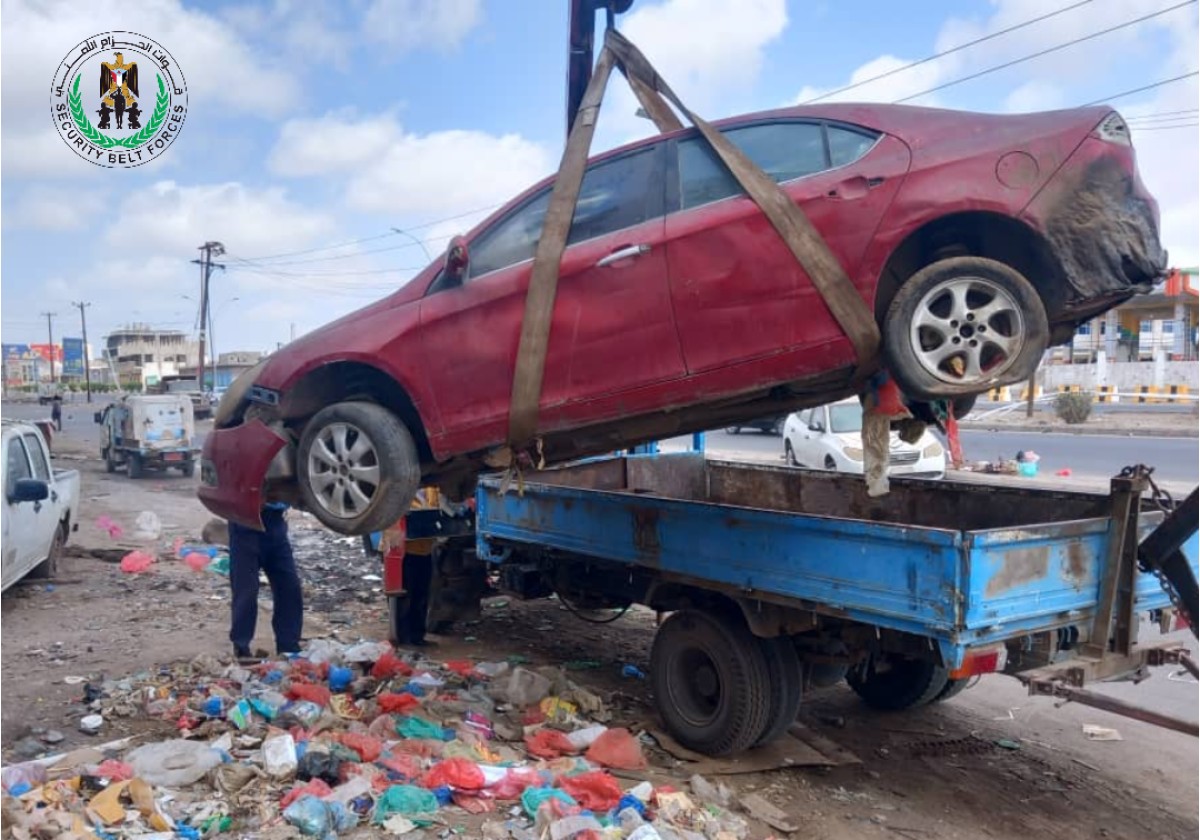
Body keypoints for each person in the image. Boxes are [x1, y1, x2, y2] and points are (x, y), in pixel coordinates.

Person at [227, 502, 303, 661]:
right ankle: (241, 647)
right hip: (244, 523)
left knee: (290, 587)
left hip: (276, 524)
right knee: (246, 590)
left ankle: (289, 646)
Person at [380, 487, 442, 647]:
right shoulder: (398, 487)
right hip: (401, 549)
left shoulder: (432, 488)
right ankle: (403, 637)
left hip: (424, 546)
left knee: (421, 594)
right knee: (404, 595)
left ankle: (417, 636)